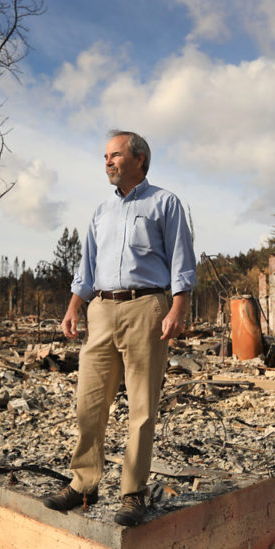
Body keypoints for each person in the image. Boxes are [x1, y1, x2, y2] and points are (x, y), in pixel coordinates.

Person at [43, 129, 197, 526]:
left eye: (114, 155)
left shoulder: (165, 203)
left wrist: (178, 306)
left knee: (141, 407)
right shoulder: (101, 212)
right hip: (102, 309)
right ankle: (83, 483)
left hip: (146, 306)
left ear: (139, 159)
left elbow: (182, 257)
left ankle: (132, 493)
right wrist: (75, 306)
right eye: (105, 156)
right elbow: (87, 264)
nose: (107, 161)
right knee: (89, 402)